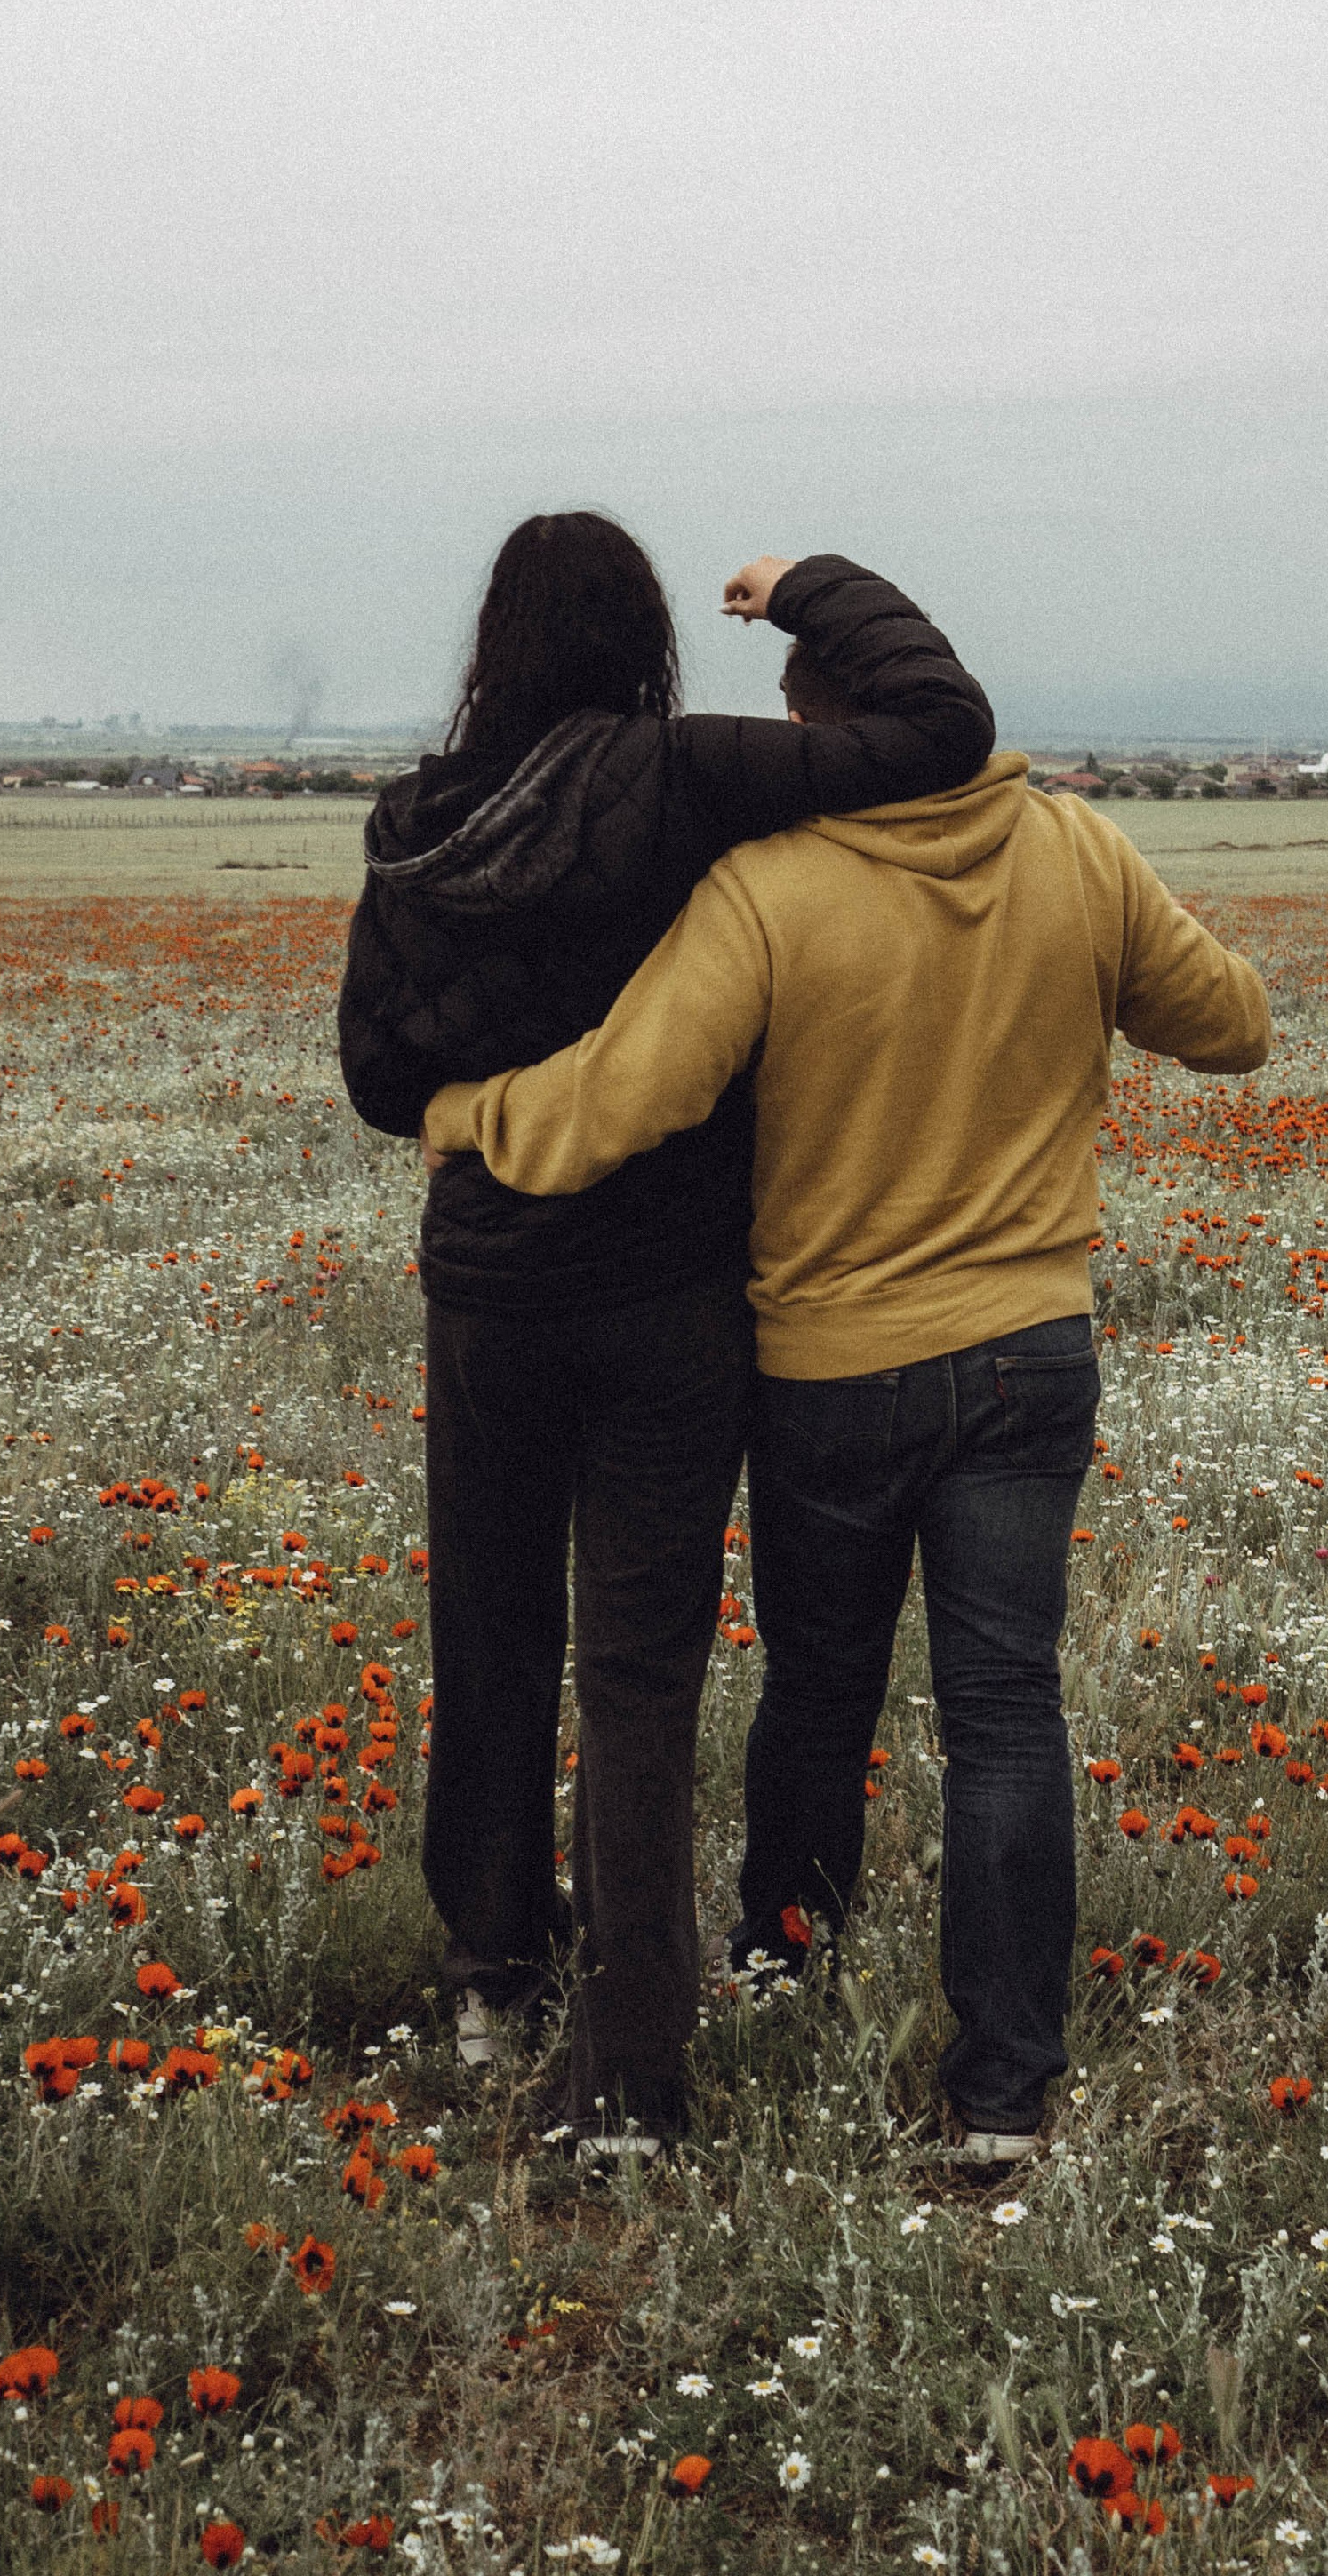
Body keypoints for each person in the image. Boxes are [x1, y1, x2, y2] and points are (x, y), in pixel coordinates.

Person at [420, 637, 1268, 2162]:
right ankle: (1005, 2090)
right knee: (1007, 1711)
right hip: (1030, 1353)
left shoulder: (774, 887)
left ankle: (787, 1974)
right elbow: (1234, 1026)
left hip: (833, 1370)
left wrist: (470, 1116)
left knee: (823, 1693)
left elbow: (627, 1095)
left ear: (817, 733)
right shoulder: (1081, 847)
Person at [338, 523, 994, 2149]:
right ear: (645, 632)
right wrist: (811, 589)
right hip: (668, 1304)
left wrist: (477, 1101)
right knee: (639, 1676)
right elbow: (942, 732)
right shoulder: (684, 775)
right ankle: (635, 2051)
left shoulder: (420, 824)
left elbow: (368, 1079)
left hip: (490, 1298)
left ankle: (495, 1969)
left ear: (494, 637)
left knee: (487, 1636)